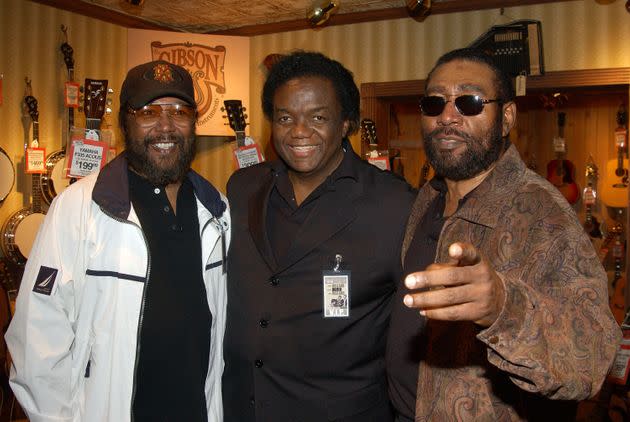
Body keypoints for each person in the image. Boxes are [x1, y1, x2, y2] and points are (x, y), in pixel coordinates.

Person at [386, 48, 621, 421]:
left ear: (506, 117)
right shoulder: (428, 197)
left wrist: (501, 307)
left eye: (470, 102)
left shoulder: (544, 215)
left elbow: (592, 357)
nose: (448, 116)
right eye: (434, 103)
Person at [5, 60, 230, 422]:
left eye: (179, 111)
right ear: (126, 120)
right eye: (149, 111)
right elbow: (37, 340)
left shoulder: (218, 210)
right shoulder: (78, 208)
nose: (166, 125)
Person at [223, 51, 415, 421]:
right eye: (285, 118)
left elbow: (416, 333)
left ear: (345, 123)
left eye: (318, 117)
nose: (299, 131)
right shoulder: (242, 189)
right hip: (242, 408)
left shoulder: (394, 205)